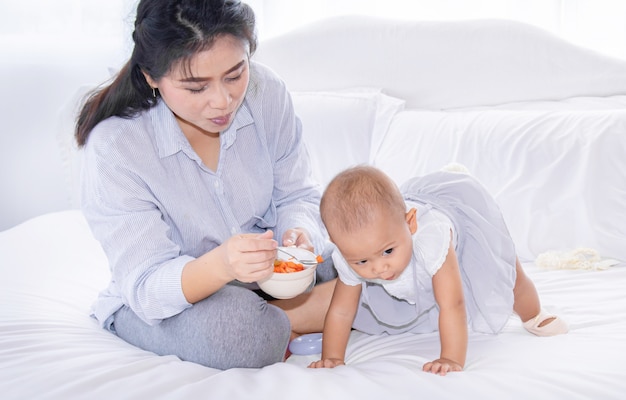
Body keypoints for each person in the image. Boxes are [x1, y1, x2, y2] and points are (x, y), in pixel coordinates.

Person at [75, 0, 336, 370]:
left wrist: (299, 232)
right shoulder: (117, 147)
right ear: (151, 76)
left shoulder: (266, 92)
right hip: (173, 292)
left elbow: (298, 194)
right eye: (196, 87)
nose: (223, 101)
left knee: (362, 252)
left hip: (260, 273)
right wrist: (223, 265)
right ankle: (317, 313)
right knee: (237, 334)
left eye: (235, 74)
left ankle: (292, 314)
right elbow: (148, 286)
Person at [308, 165, 568, 375]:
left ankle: (533, 314)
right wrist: (331, 357)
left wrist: (450, 358)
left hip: (462, 235)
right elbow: (341, 311)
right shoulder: (353, 253)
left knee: (507, 275)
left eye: (387, 252)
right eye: (362, 262)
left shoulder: (432, 238)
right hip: (406, 249)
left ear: (410, 223)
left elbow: (452, 304)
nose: (378, 268)